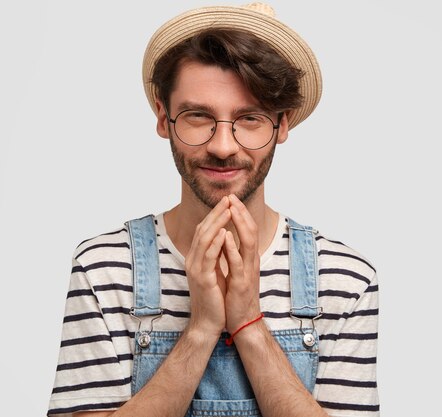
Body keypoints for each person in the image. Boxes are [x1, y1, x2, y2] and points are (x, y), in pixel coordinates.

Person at [48, 3, 379, 417]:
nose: (223, 146)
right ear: (162, 116)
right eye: (198, 116)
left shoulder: (345, 278)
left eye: (250, 118)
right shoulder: (105, 269)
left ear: (283, 123)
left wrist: (249, 325)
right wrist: (201, 328)